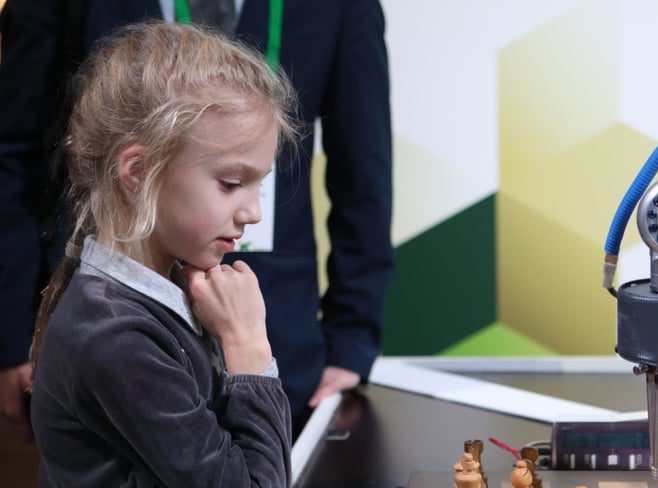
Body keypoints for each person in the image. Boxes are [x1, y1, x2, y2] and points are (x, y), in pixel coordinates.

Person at [27, 21, 297, 488]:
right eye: (232, 183)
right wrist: (249, 345)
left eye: (258, 184)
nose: (253, 211)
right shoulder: (115, 335)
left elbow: (222, 487)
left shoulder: (167, 290)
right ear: (139, 171)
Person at [0, 0, 394, 440]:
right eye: (229, 184)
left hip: (282, 337)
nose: (252, 210)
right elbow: (15, 154)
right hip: (108, 321)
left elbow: (363, 171)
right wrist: (12, 335)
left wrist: (352, 340)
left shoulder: (343, 9)